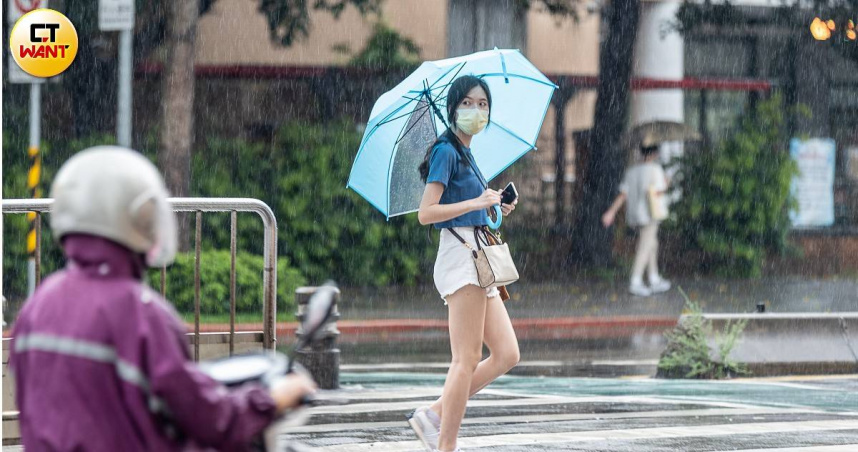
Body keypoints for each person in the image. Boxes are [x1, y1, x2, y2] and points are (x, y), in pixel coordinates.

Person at [9, 146, 317, 451]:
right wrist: (271, 400)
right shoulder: (141, 315)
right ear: (137, 217)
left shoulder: (37, 305)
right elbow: (211, 419)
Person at [411, 75, 520, 452]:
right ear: (453, 108)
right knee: (467, 358)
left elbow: (474, 210)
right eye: (468, 104)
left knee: (507, 353)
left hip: (478, 254)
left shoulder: (466, 152)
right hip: (462, 258)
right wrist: (476, 203)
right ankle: (446, 445)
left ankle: (436, 412)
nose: (476, 111)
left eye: (483, 104)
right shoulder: (446, 151)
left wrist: (495, 205)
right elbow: (427, 212)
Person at [602, 142, 672, 297]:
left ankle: (654, 278)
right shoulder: (655, 169)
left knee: (652, 243)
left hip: (634, 214)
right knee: (646, 245)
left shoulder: (631, 171)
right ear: (655, 154)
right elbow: (658, 192)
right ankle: (636, 280)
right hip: (650, 214)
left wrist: (611, 212)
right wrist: (666, 183)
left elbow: (623, 194)